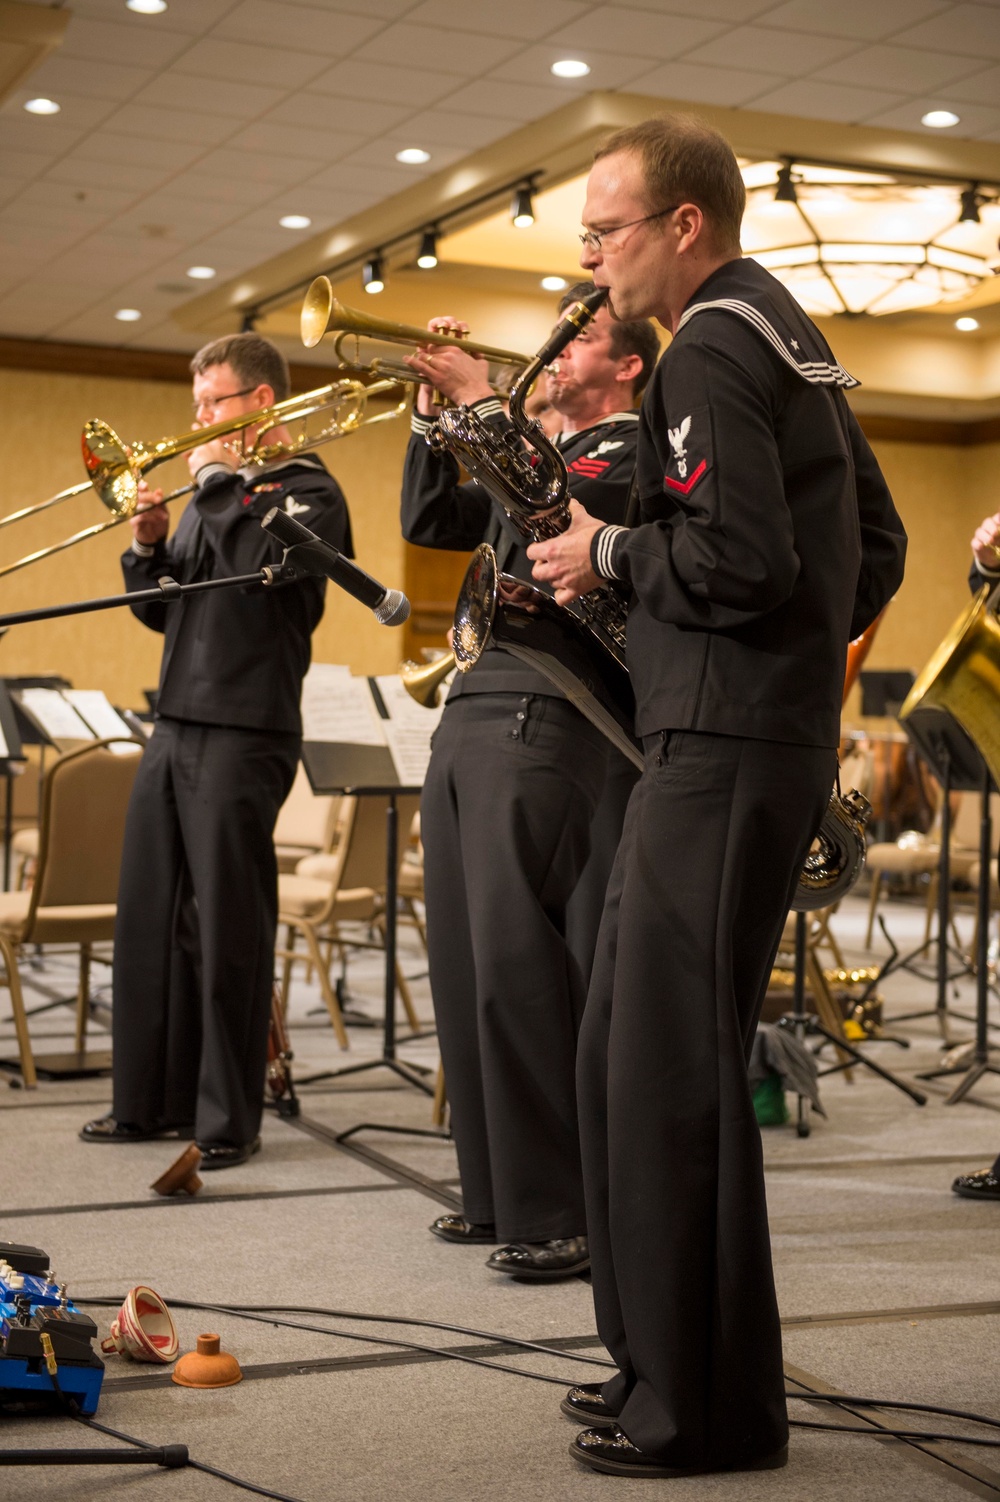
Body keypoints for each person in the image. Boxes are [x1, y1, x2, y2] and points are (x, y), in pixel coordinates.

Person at [528, 116, 906, 1475]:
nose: (589, 253)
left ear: (685, 225)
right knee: (621, 1046)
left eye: (607, 227)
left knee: (668, 1070)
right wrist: (791, 675)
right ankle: (657, 1360)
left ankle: (708, 1409)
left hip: (723, 745)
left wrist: (610, 551)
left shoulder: (711, 345)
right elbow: (877, 541)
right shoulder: (783, 330)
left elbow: (741, 556)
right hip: (733, 734)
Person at [400, 287, 659, 1279]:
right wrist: (436, 418)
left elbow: (555, 504)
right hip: (475, 693)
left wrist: (488, 413)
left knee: (519, 956)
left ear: (628, 364)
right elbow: (435, 516)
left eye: (580, 332)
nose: (555, 345)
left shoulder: (630, 452)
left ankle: (562, 1209)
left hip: (548, 700)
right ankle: (494, 1188)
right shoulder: (537, 441)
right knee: (464, 960)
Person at [81, 333, 352, 1169]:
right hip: (175, 724)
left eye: (212, 404)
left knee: (229, 926)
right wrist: (150, 547)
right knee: (151, 918)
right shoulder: (210, 500)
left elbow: (254, 576)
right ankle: (147, 1102)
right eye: (195, 404)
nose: (196, 421)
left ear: (260, 403)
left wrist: (214, 488)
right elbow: (174, 613)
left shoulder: (308, 490)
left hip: (247, 732)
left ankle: (227, 1118)